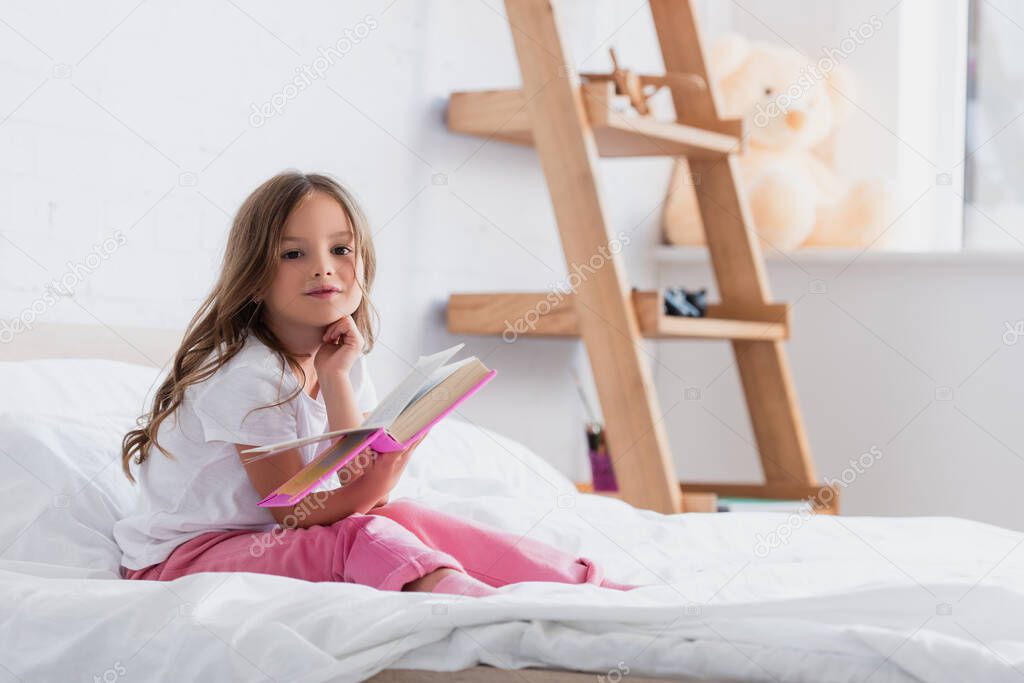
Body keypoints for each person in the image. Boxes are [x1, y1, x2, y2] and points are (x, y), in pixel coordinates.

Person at [114, 171, 635, 596]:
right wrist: (379, 481)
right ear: (253, 277)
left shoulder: (339, 353)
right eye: (293, 254)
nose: (324, 269)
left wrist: (338, 380)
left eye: (341, 249)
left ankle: (582, 585)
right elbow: (296, 512)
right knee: (355, 536)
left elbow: (345, 481)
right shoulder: (248, 377)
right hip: (185, 560)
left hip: (269, 537)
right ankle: (458, 596)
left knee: (409, 517)